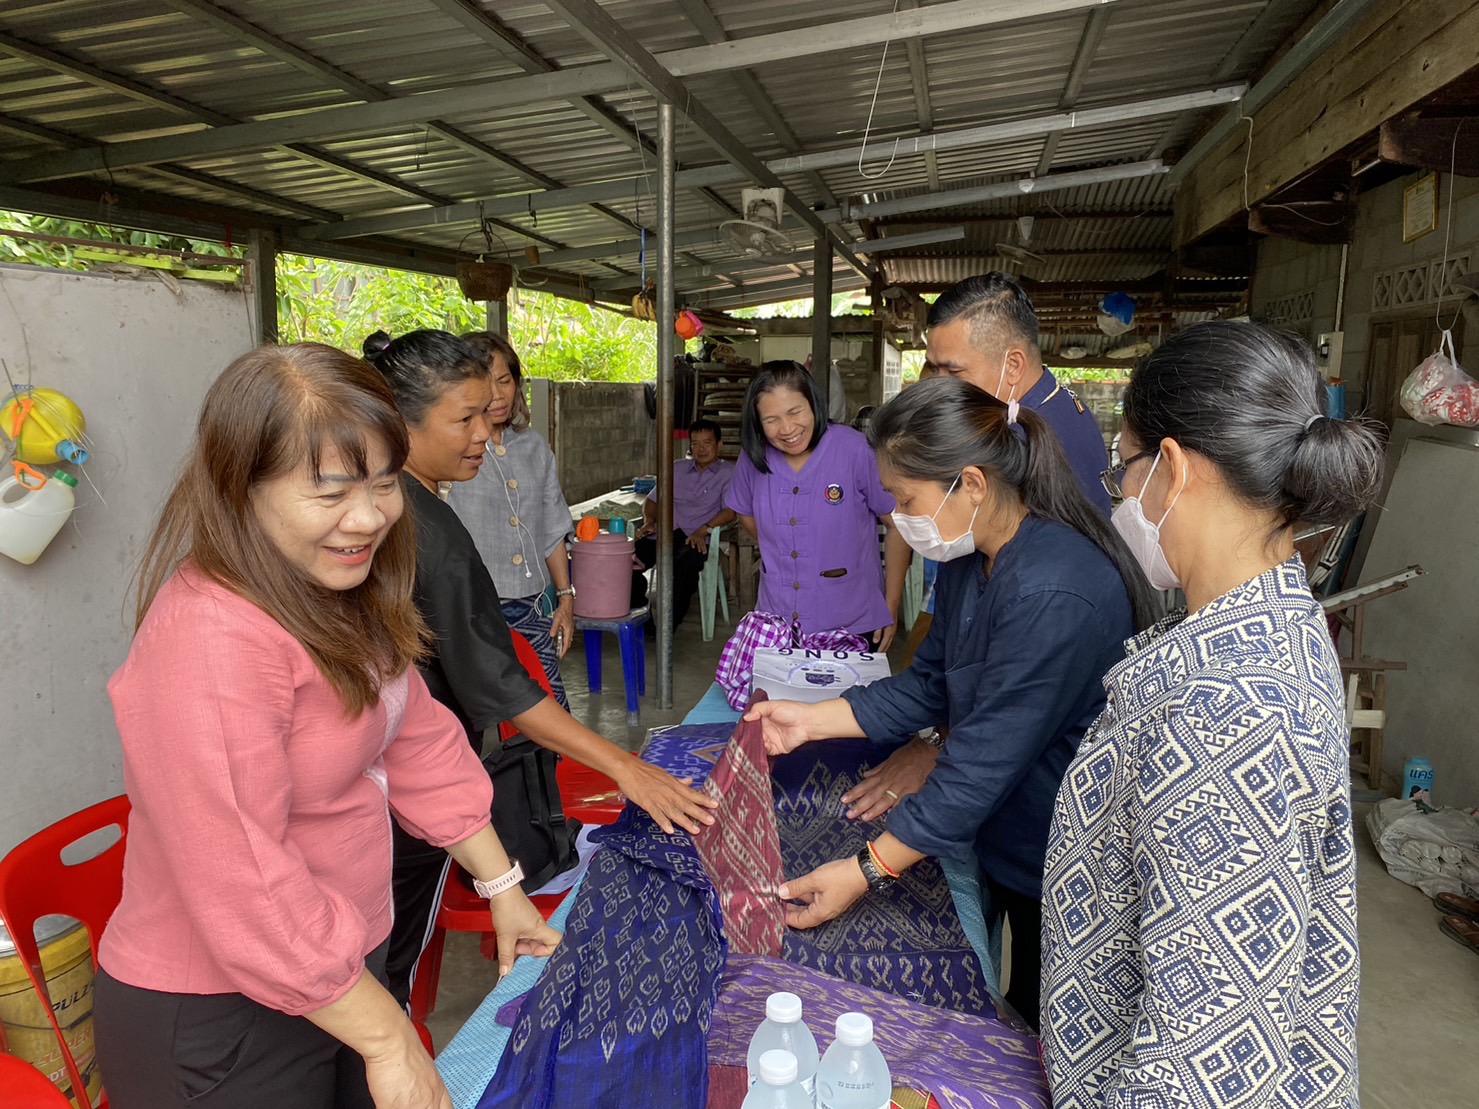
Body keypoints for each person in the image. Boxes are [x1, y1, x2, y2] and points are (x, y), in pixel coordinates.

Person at [93, 345, 561, 1109]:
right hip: (222, 1017)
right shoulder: (210, 641)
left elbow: (418, 738)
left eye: (384, 483)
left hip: (334, 972)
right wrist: (388, 1037)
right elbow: (245, 881)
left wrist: (503, 883)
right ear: (240, 487)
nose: (371, 515)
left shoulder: (333, 589)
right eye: (333, 491)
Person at [1039, 322, 1383, 1107]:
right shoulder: (1258, 626)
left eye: (1123, 466)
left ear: (1171, 467)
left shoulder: (1228, 711)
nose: (1121, 494)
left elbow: (1198, 1071)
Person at [745, 377, 1160, 1027]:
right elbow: (932, 683)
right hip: (1000, 826)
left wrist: (861, 871)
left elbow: (978, 764)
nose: (901, 518)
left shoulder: (1056, 587)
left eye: (905, 499)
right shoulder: (972, 552)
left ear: (970, 482)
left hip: (1058, 840)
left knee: (1041, 1014)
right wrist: (809, 720)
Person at [361, 330, 718, 1006]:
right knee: (389, 973)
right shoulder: (424, 531)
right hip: (399, 796)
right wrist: (625, 766)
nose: (482, 430)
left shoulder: (410, 509)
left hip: (406, 774)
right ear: (400, 421)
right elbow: (502, 688)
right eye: (462, 418)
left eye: (487, 410)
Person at [726, 360, 907, 649]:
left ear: (813, 403)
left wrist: (891, 604)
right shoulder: (754, 457)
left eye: (795, 412)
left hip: (852, 622)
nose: (787, 429)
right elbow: (744, 512)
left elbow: (897, 523)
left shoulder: (855, 449)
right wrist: (785, 546)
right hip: (777, 625)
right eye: (771, 420)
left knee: (848, 696)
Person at [451, 331, 575, 707]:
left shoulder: (534, 447)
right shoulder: (452, 451)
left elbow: (552, 527)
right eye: (485, 383)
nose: (498, 394)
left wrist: (565, 599)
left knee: (549, 709)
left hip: (531, 607)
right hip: (469, 613)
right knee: (463, 723)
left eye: (504, 380)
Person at [925, 272, 1111, 515]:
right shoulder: (1060, 404)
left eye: (954, 370)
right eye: (934, 368)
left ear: (1012, 366)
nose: (938, 386)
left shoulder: (1027, 440)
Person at [632, 417, 736, 627]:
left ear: (719, 445)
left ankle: (666, 627)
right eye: (695, 443)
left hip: (695, 539)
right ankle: (641, 618)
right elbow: (652, 501)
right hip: (662, 535)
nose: (701, 449)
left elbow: (730, 511)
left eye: (707, 443)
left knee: (683, 571)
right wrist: (649, 522)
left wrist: (704, 530)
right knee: (625, 562)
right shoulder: (676, 468)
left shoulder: (729, 473)